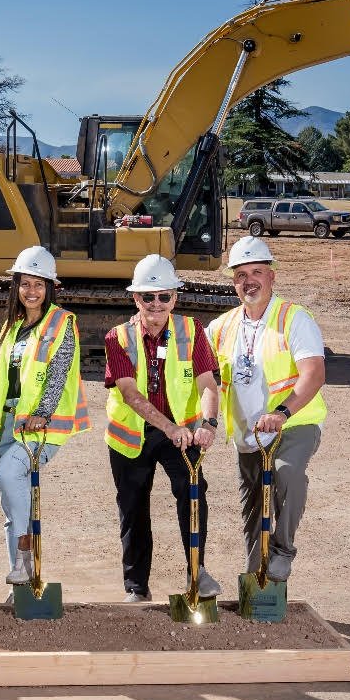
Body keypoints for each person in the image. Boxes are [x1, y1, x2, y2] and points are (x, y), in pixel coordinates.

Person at [206, 236, 326, 582]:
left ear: (272, 276)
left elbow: (314, 373)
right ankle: (256, 582)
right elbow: (203, 378)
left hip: (294, 424)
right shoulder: (222, 326)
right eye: (241, 275)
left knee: (287, 473)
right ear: (234, 283)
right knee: (254, 511)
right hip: (248, 436)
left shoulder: (294, 318)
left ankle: (283, 550)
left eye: (257, 271)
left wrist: (282, 413)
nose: (249, 281)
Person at [104, 254, 221, 603]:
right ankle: (137, 588)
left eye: (164, 296)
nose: (156, 304)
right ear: (135, 298)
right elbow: (129, 394)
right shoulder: (118, 338)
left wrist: (209, 422)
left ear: (175, 297)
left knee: (193, 493)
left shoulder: (191, 330)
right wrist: (170, 427)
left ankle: (196, 571)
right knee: (133, 508)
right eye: (148, 297)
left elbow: (207, 384)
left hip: (183, 433)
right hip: (133, 436)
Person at [0, 246, 90, 587]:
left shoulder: (62, 322)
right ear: (16, 286)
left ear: (50, 288)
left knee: (7, 473)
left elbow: (60, 372)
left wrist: (43, 412)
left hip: (41, 427)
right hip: (6, 424)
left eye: (39, 284)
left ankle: (23, 558)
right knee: (12, 501)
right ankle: (22, 578)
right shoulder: (12, 325)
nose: (32, 291)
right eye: (25, 283)